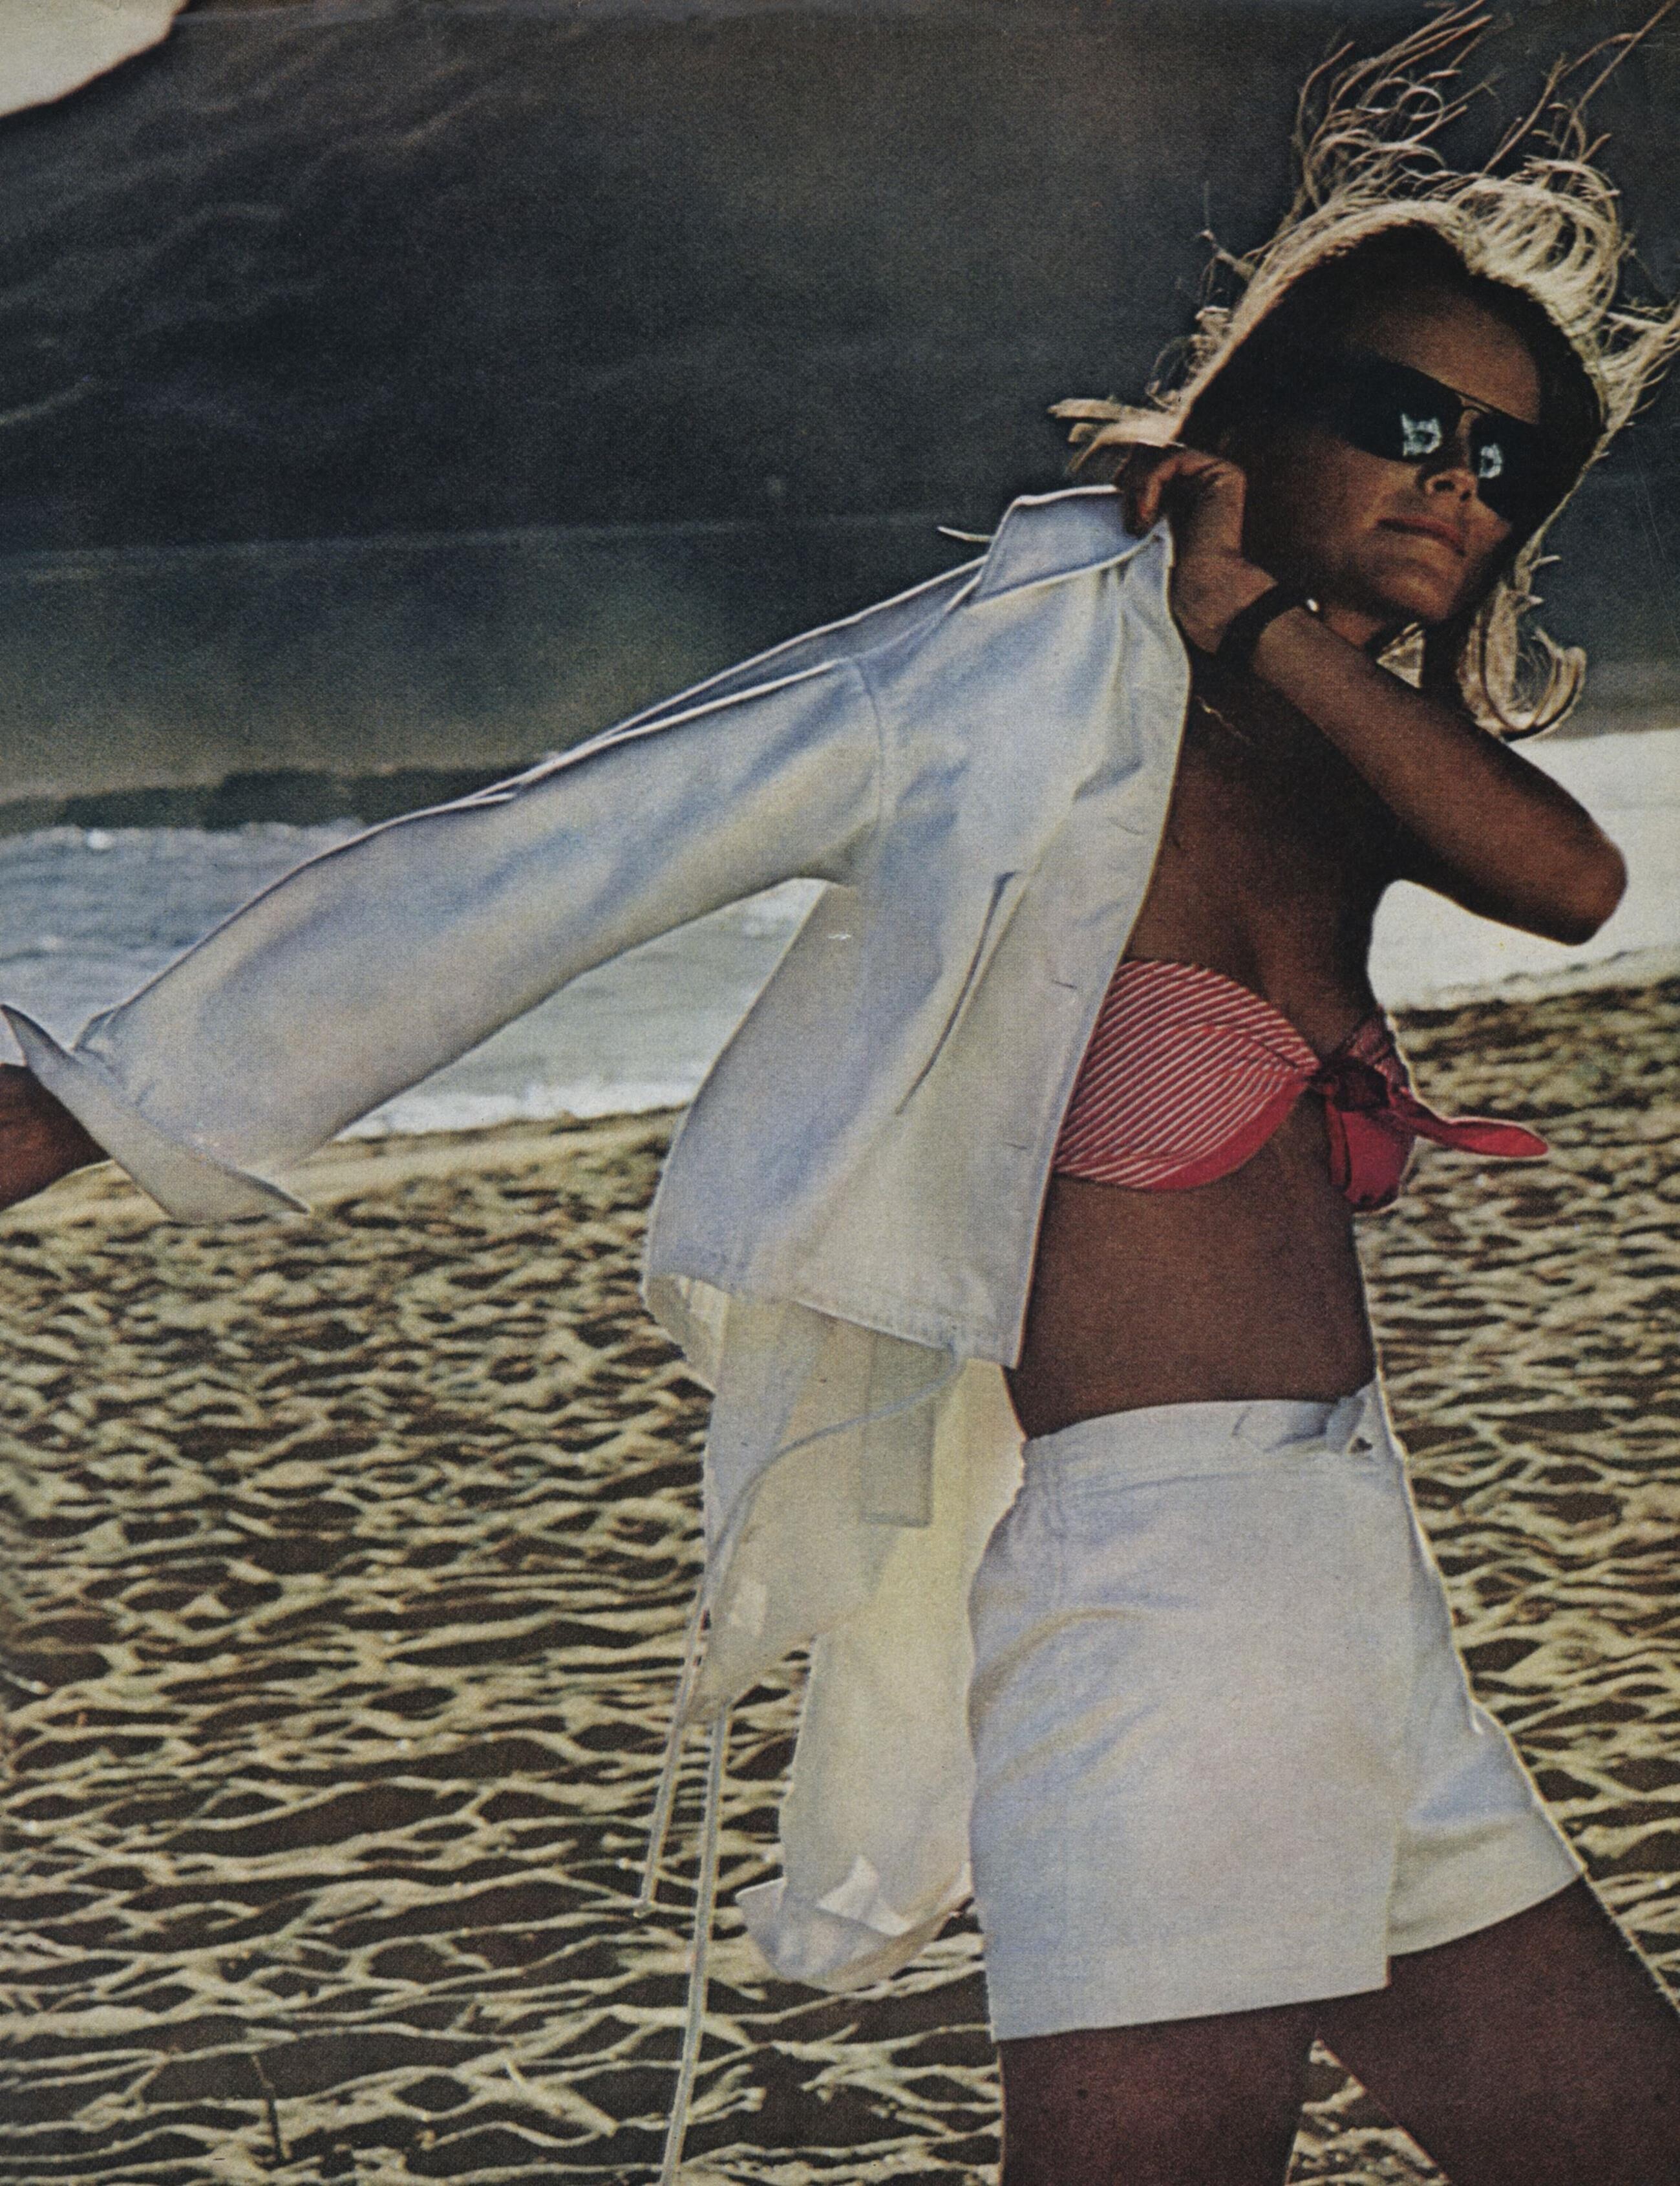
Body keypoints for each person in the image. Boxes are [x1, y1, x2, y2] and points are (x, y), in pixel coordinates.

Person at [3, 16, 1680, 2183]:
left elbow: (1572, 883)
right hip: (1162, 1611)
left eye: (1506, 462)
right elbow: (576, 845)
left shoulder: (1330, 742)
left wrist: (1257, 622)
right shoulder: (1020, 674)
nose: (1457, 484)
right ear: (1265, 413)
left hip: (1356, 1581)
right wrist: (104, 1101)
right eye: (1409, 420)